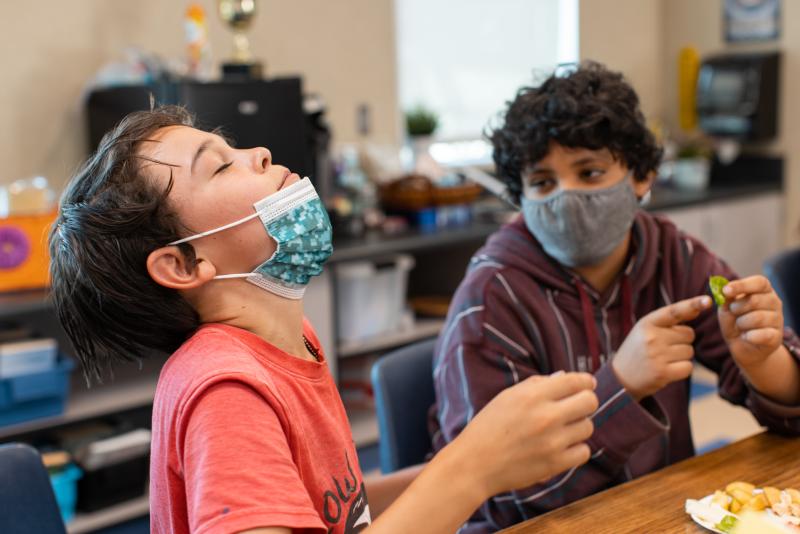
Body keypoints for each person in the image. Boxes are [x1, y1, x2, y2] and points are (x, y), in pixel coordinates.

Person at [48, 106, 599, 534]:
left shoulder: (294, 340)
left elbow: (335, 512)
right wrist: (474, 467)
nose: (259, 153)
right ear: (183, 263)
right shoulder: (226, 391)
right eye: (220, 165)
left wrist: (486, 460)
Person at [430, 62, 800, 532]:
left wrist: (764, 361)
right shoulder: (490, 300)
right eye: (543, 183)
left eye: (590, 172)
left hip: (659, 513)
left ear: (642, 176)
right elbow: (502, 502)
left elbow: (792, 417)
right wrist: (621, 385)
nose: (566, 196)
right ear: (518, 198)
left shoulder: (674, 255)